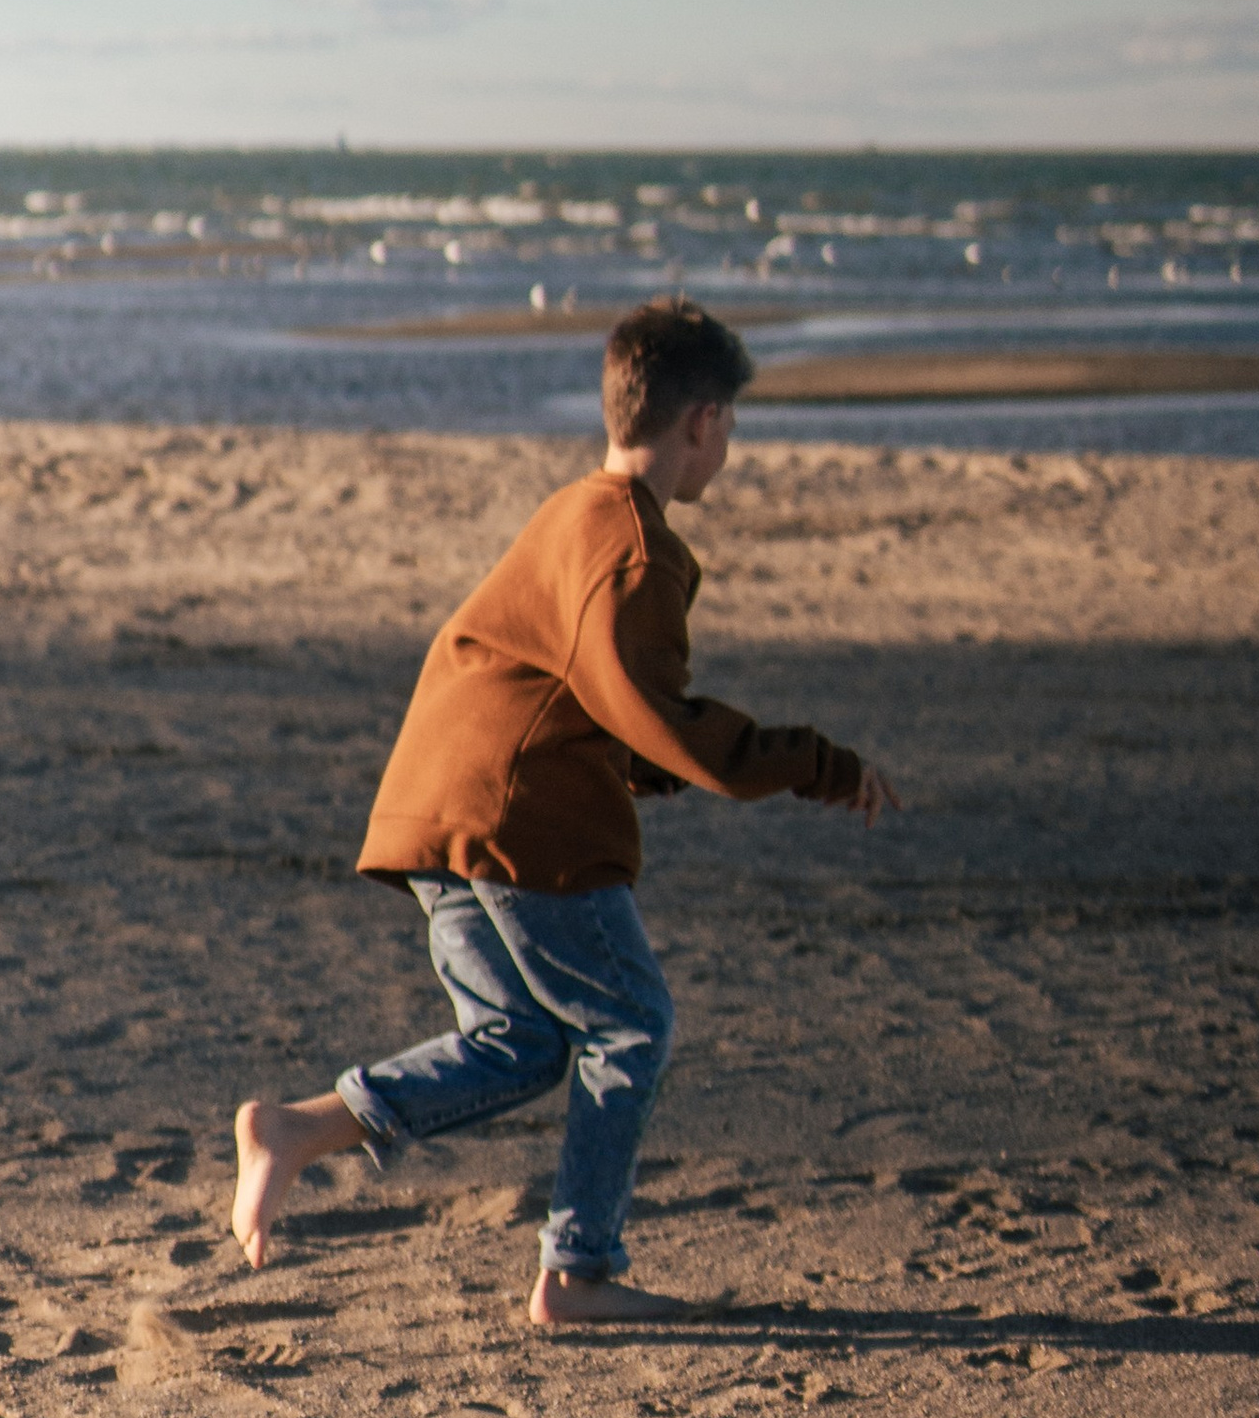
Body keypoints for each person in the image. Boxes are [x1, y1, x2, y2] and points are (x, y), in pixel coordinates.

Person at [229, 298, 895, 1321]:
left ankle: (299, 1129)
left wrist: (658, 761)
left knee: (521, 1041)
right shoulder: (633, 545)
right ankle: (578, 1272)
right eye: (730, 428)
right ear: (704, 421)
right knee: (630, 1024)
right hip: (511, 815)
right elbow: (649, 713)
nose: (727, 446)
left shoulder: (574, 508)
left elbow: (589, 700)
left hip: (439, 805)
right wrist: (815, 763)